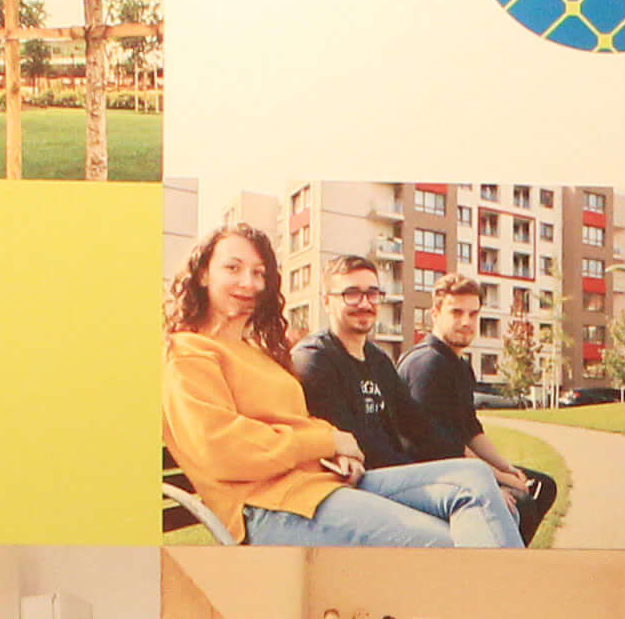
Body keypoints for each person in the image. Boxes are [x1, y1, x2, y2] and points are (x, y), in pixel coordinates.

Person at [162, 222, 518, 548]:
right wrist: (329, 441)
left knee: (475, 480)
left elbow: (299, 420)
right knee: (452, 543)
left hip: (325, 484)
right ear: (203, 273)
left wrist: (339, 449)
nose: (250, 283)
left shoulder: (257, 353)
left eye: (259, 272)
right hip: (270, 507)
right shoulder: (188, 353)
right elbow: (221, 449)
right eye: (233, 268)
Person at [394, 276, 561, 542]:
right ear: (435, 314)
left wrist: (506, 468)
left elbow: (470, 430)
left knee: (543, 486)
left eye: (473, 314)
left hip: (453, 464)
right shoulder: (427, 365)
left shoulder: (459, 364)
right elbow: (438, 447)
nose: (466, 322)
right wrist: (494, 481)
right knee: (520, 502)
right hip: (423, 474)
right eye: (456, 312)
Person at [295, 261, 447, 471]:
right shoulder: (314, 359)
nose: (365, 304)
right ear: (327, 302)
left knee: (476, 472)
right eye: (352, 294)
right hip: (361, 477)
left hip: (397, 470)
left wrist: (466, 459)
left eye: (372, 294)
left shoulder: (379, 360)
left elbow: (419, 426)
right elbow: (356, 443)